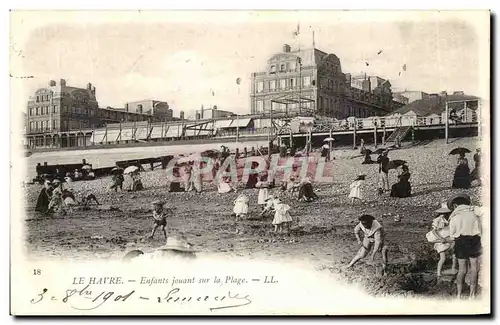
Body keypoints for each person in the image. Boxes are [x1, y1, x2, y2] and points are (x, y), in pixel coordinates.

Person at [448, 194, 483, 299]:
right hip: (474, 241)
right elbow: (480, 231)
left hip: (460, 241)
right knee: (474, 268)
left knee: (462, 269)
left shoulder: (454, 217)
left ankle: (458, 295)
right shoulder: (474, 215)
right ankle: (472, 295)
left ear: (455, 205)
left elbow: (451, 235)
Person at [428, 202, 457, 278]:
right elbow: (434, 231)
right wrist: (441, 238)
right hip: (442, 240)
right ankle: (438, 273)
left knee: (455, 254)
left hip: (449, 238)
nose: (445, 214)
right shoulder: (438, 220)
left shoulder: (449, 219)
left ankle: (453, 268)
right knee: (443, 258)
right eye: (443, 213)